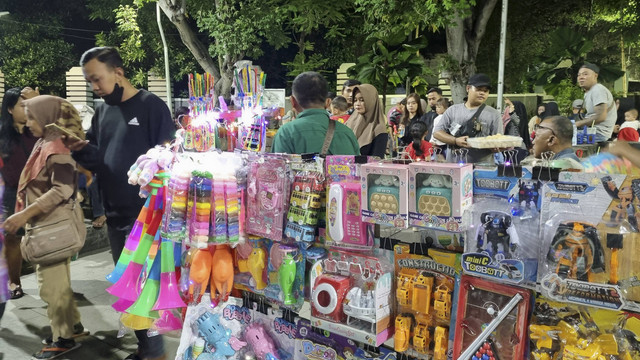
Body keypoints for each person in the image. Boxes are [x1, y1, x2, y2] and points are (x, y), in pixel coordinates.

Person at [62, 46, 174, 360]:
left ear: (119, 72)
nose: (95, 87)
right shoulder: (102, 111)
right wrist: (80, 149)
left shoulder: (152, 106)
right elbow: (99, 159)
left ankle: (153, 351)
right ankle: (148, 348)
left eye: (97, 80)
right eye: (90, 82)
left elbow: (168, 160)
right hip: (115, 215)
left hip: (147, 218)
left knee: (143, 288)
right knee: (128, 288)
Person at [4, 95, 87, 359]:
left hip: (51, 229)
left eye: (32, 117)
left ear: (46, 117)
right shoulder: (47, 143)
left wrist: (23, 215)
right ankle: (72, 327)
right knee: (58, 283)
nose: (28, 123)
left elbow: (62, 189)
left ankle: (62, 339)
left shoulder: (54, 148)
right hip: (49, 227)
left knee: (50, 286)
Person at [0, 87, 39, 300]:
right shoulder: (2, 135)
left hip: (36, 192)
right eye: (21, 105)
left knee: (39, 235)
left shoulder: (35, 131)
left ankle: (50, 280)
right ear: (9, 109)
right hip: (9, 194)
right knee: (12, 238)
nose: (27, 109)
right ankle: (14, 280)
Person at [272, 72, 360, 155]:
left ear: (293, 102)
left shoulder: (286, 133)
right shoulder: (348, 133)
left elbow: (277, 168)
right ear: (328, 102)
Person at [433, 73, 503, 164]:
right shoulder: (452, 110)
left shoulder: (494, 114)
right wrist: (455, 141)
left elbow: (499, 141)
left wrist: (497, 146)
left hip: (482, 167)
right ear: (468, 88)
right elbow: (437, 132)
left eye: (485, 91)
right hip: (454, 166)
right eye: (478, 89)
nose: (482, 93)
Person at [575, 63, 617, 142]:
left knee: (560, 139)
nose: (581, 77)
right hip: (591, 132)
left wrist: (577, 124)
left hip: (597, 134)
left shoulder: (598, 89)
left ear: (595, 76)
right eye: (579, 75)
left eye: (585, 74)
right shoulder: (589, 92)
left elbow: (600, 117)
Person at [345, 84, 389, 158]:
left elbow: (377, 160)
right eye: (355, 100)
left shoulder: (379, 129)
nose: (357, 104)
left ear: (371, 101)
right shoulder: (350, 122)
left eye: (362, 100)